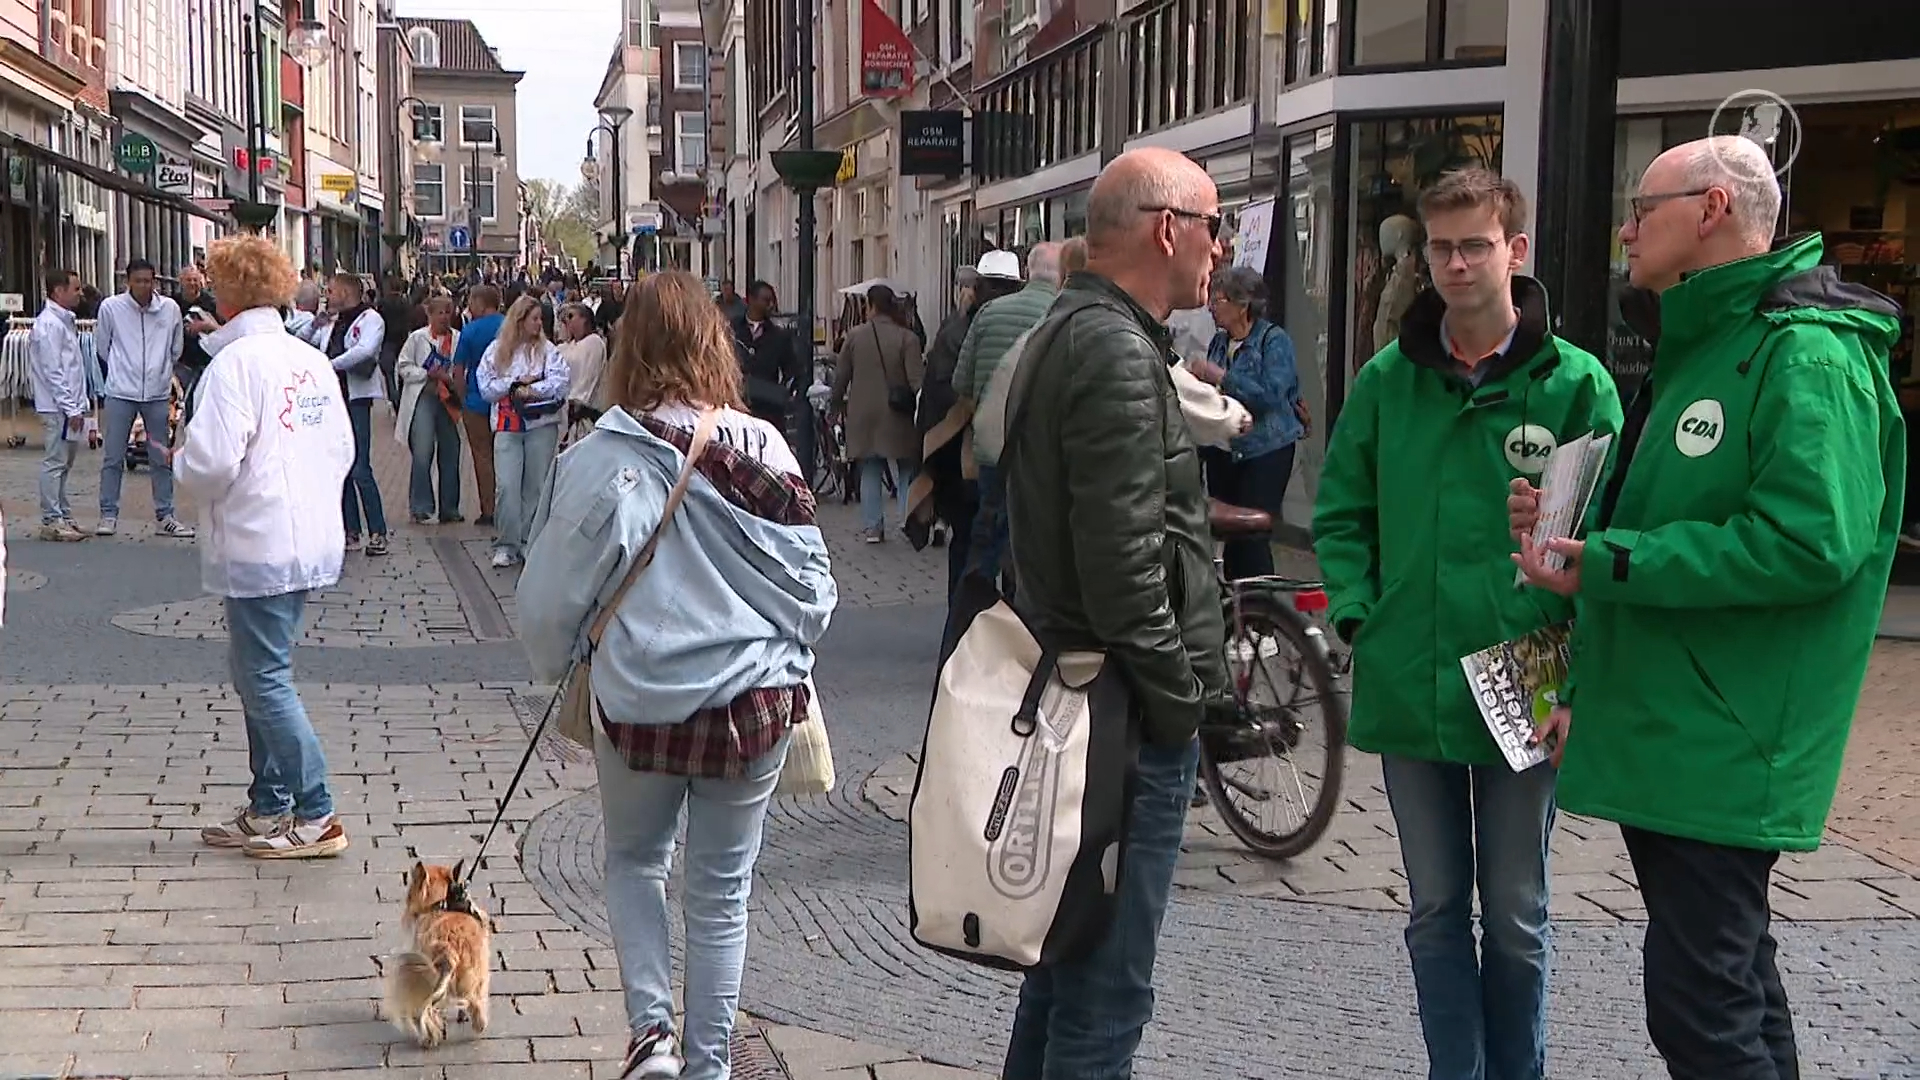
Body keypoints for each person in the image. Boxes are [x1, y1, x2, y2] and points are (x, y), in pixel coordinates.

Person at [1513, 135, 1905, 1080]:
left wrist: (1611, 557)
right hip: (1686, 724)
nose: (1624, 230)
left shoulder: (1804, 357)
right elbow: (1681, 518)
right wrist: (1579, 542)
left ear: (1714, 209)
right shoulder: (1709, 344)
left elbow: (1811, 542)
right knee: (1731, 984)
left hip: (1724, 731)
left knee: (1702, 1004)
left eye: (1642, 209)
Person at [1315, 167, 1623, 1080]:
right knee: (1437, 909)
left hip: (1524, 674)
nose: (1453, 263)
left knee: (1520, 915)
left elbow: (1601, 542)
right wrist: (1360, 615)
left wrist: (1577, 682)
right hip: (1413, 675)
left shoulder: (1575, 385)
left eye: (1473, 245)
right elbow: (1341, 512)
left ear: (1514, 251)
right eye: (1440, 247)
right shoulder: (1386, 382)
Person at [516, 271, 834, 1080]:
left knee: (634, 862)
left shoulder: (599, 455)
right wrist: (783, 657)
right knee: (723, 893)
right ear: (712, 343)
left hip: (641, 702)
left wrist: (560, 660)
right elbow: (815, 590)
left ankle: (650, 1036)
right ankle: (709, 1065)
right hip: (754, 705)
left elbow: (553, 597)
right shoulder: (764, 446)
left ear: (628, 350)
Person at [997, 146, 1228, 1080]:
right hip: (1122, 718)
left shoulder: (1077, 328)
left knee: (1066, 972)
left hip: (1090, 698)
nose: (1218, 251)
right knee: (1106, 992)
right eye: (1212, 226)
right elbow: (1125, 571)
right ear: (1167, 227)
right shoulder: (1117, 351)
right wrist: (1182, 708)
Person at [176, 234, 355, 859]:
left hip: (259, 537)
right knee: (256, 672)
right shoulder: (306, 360)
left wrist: (179, 462)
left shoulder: (234, 365)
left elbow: (213, 460)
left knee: (264, 677)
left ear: (228, 297)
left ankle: (316, 809)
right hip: (302, 535)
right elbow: (343, 450)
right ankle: (269, 802)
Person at [953, 244, 1060, 587]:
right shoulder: (1064, 314)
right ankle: (1020, 618)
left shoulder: (988, 315)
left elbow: (961, 382)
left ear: (1029, 273)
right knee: (1031, 546)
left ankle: (975, 621)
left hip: (991, 446)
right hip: (1041, 453)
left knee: (988, 537)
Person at [1191, 266, 1307, 579]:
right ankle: (1238, 613)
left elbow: (1271, 396)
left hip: (1264, 452)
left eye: (1219, 300)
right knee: (1230, 538)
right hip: (1223, 450)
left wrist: (1223, 377)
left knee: (1253, 540)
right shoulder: (1219, 342)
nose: (1211, 308)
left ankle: (1263, 612)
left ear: (1243, 305)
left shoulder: (1274, 341)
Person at [93, 258, 195, 539]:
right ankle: (108, 514)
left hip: (157, 393)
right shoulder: (111, 308)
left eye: (148, 281)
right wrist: (118, 371)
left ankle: (166, 515)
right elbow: (103, 347)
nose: (143, 286)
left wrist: (161, 372)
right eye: (137, 281)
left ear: (155, 281)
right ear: (128, 282)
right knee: (113, 456)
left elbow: (176, 348)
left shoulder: (169, 310)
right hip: (120, 392)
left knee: (160, 457)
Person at [477, 295, 570, 568]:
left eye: (541, 319)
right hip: (507, 425)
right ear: (520, 320)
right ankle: (507, 542)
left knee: (535, 486)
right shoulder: (497, 350)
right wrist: (515, 384)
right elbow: (486, 387)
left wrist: (533, 389)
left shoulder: (548, 351)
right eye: (534, 319)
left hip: (540, 424)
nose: (539, 324)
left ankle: (531, 541)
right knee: (506, 485)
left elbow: (560, 383)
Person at [831, 285, 923, 543]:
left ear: (869, 306)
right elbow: (917, 381)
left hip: (863, 414)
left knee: (869, 467)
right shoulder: (908, 338)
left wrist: (835, 403)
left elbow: (841, 376)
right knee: (906, 467)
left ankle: (873, 526)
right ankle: (907, 519)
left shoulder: (854, 336)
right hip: (898, 414)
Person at [310, 272, 389, 556]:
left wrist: (330, 365)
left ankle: (378, 531)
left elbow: (364, 351)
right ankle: (350, 530)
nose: (326, 296)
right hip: (332, 398)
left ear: (345, 292)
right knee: (339, 466)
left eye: (330, 291)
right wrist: (314, 324)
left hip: (356, 399)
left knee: (360, 467)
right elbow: (304, 339)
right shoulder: (332, 320)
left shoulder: (371, 320)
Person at [30, 269, 90, 542]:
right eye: (75, 288)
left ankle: (62, 514)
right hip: (57, 407)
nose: (80, 293)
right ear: (58, 291)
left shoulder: (64, 321)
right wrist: (71, 406)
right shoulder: (49, 325)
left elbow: (72, 366)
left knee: (64, 463)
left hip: (69, 405)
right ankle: (51, 518)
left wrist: (79, 403)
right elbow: (53, 370)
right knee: (55, 462)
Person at [395, 295, 464, 525]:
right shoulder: (418, 338)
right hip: (424, 396)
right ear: (430, 315)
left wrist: (452, 380)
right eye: (440, 313)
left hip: (448, 399)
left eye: (448, 312)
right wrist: (426, 375)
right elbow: (403, 366)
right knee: (423, 451)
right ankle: (421, 506)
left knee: (451, 450)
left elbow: (462, 368)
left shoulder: (457, 339)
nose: (444, 317)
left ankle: (450, 508)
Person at [454, 284, 506, 527]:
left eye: (471, 302)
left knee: (482, 456)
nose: (469, 307)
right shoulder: (509, 327)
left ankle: (489, 509)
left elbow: (458, 369)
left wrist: (462, 397)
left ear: (481, 303)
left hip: (476, 400)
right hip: (507, 399)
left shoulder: (470, 330)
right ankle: (509, 505)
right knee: (506, 454)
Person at [731, 280, 803, 438]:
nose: (771, 305)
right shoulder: (731, 331)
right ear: (751, 299)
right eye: (766, 300)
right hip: (736, 409)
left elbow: (792, 372)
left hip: (768, 412)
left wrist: (782, 393)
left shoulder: (779, 337)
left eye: (772, 301)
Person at [558, 301, 609, 443]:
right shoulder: (564, 347)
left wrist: (576, 402)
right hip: (563, 411)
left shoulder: (594, 343)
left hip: (584, 413)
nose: (566, 320)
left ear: (584, 319)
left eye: (571, 316)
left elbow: (588, 377)